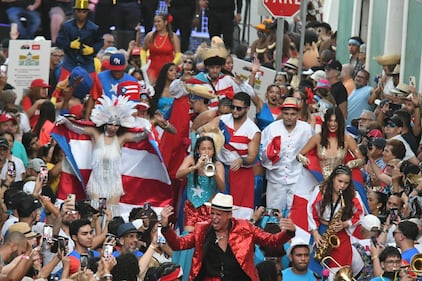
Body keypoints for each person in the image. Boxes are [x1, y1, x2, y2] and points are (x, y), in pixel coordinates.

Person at [160, 193, 296, 281]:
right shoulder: (202, 229)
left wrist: (288, 232)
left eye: (218, 214)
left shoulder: (245, 228)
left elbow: (272, 240)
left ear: (229, 215)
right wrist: (166, 228)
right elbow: (179, 244)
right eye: (212, 213)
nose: (214, 218)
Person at [58, 95, 148, 212]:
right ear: (105, 123)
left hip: (114, 182)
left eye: (116, 125)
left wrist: (146, 129)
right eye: (110, 124)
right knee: (95, 212)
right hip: (96, 180)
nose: (113, 128)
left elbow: (140, 136)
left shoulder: (121, 138)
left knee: (112, 214)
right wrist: (66, 122)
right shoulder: (96, 134)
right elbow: (78, 128)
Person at [198, 92, 260, 218]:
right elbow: (201, 130)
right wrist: (209, 136)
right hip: (220, 168)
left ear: (247, 108)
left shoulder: (253, 130)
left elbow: (252, 157)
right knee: (213, 207)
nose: (235, 111)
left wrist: (242, 160)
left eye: (239, 108)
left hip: (240, 173)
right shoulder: (222, 120)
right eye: (233, 107)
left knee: (238, 212)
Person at [260, 97, 313, 215]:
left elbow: (313, 151)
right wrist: (269, 154)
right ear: (281, 112)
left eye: (293, 114)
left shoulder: (306, 129)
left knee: (295, 215)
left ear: (298, 113)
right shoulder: (271, 129)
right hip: (276, 179)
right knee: (273, 215)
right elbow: (261, 150)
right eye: (286, 113)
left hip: (297, 179)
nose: (289, 117)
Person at [308, 165, 364, 271]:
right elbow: (311, 210)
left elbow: (360, 215)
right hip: (321, 231)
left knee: (338, 268)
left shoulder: (353, 195)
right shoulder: (320, 190)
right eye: (340, 181)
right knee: (316, 268)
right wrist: (315, 233)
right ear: (333, 178)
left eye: (346, 183)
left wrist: (345, 224)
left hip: (340, 233)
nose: (342, 186)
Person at [297, 107, 364, 180]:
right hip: (319, 181)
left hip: (340, 182)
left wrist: (350, 164)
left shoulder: (348, 139)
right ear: (326, 122)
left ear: (340, 122)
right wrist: (305, 161)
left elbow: (361, 160)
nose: (332, 124)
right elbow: (299, 155)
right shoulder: (318, 138)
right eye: (330, 121)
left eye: (336, 121)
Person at [175, 136, 225, 232]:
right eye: (203, 149)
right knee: (189, 237)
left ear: (214, 151)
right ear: (198, 150)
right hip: (191, 206)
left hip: (208, 208)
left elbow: (222, 188)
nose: (206, 152)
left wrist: (214, 173)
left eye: (210, 149)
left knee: (205, 237)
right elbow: (178, 175)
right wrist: (195, 167)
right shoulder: (190, 160)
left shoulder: (218, 165)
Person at [142, 13, 181, 85]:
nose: (156, 24)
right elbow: (143, 50)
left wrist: (172, 65)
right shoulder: (150, 36)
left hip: (167, 70)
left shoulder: (173, 37)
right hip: (152, 69)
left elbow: (178, 54)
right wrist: (143, 64)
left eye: (158, 21)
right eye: (155, 22)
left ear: (165, 22)